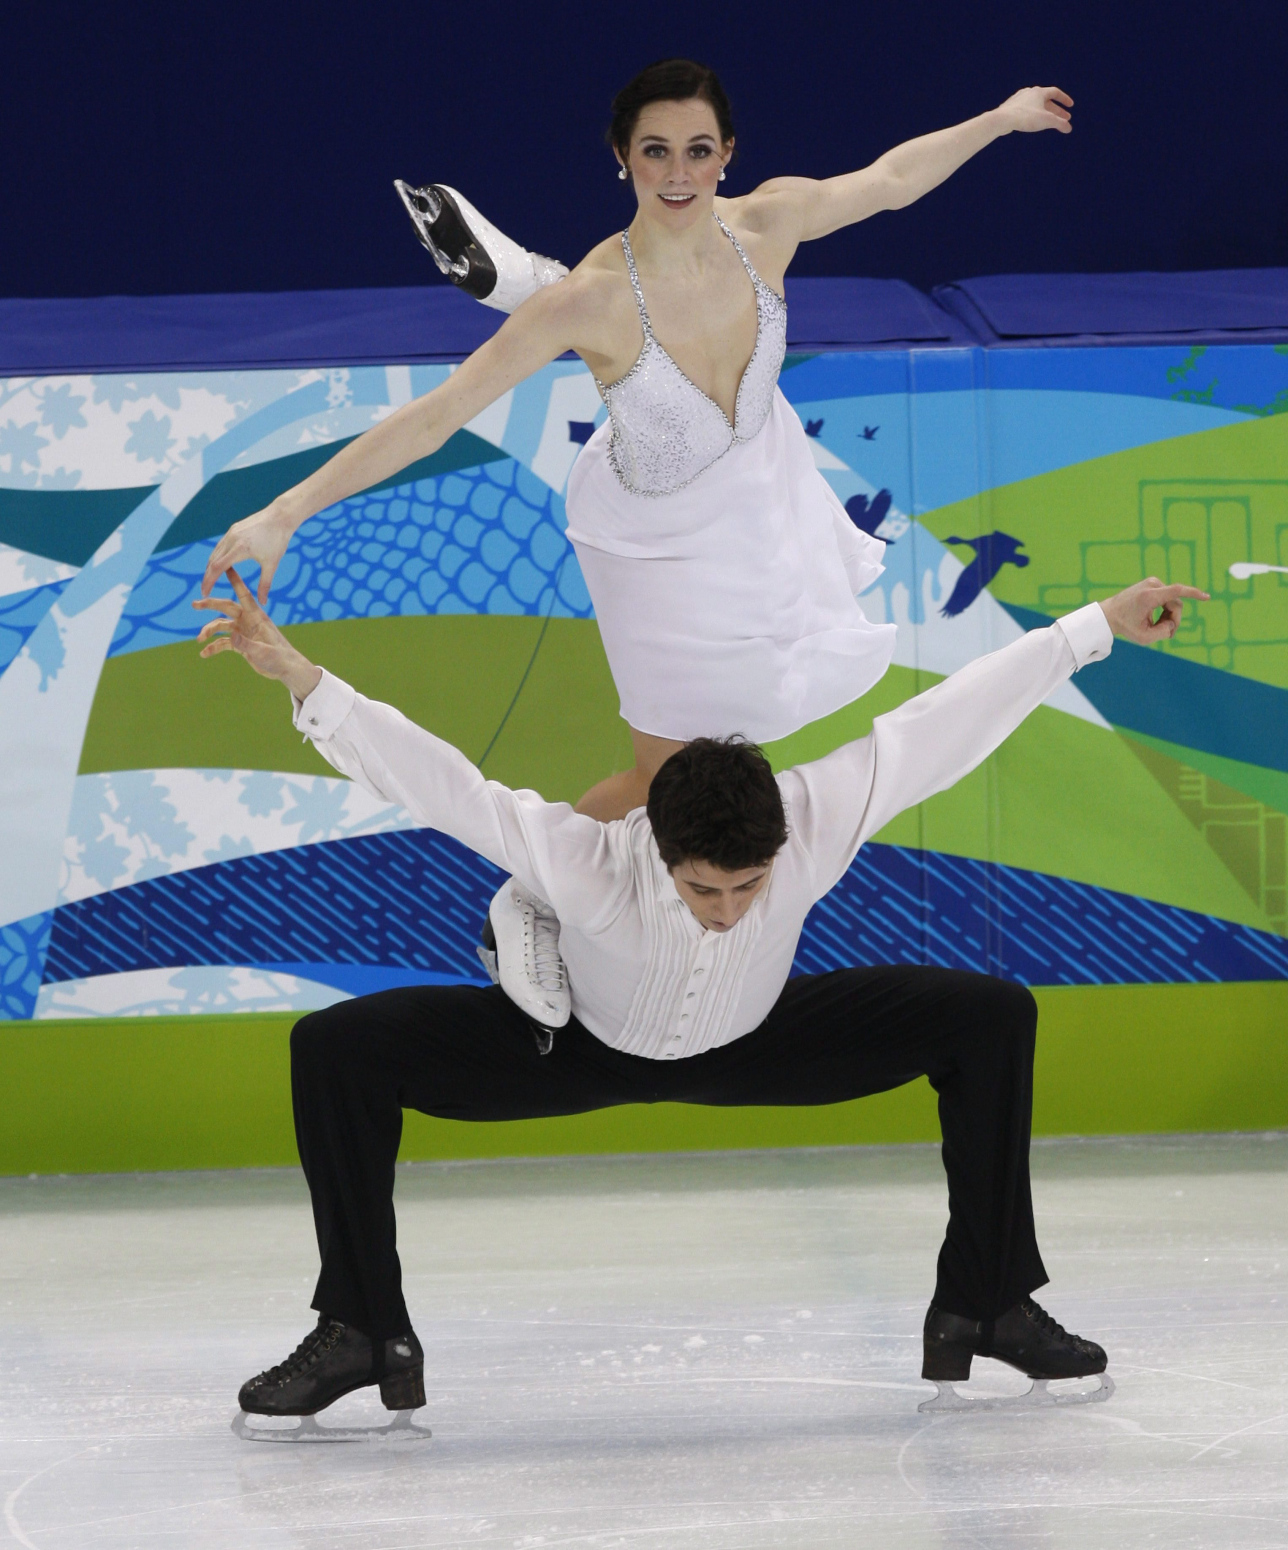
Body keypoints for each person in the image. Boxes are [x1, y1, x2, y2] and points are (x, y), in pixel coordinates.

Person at [194, 566, 1203, 1430]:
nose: (726, 910)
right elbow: (442, 783)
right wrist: (301, 676)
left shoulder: (809, 819)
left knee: (987, 1015)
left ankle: (986, 1305)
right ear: (660, 850)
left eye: (748, 886)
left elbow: (942, 726)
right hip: (571, 1044)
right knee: (336, 1045)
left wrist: (1093, 628)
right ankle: (364, 1328)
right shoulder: (587, 858)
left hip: (758, 1041)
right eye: (703, 888)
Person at [200, 61, 1076, 1028]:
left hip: (757, 494)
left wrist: (998, 119)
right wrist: (286, 511)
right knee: (667, 777)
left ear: (726, 155)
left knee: (733, 740)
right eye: (655, 151)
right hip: (654, 541)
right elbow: (439, 417)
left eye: (698, 150)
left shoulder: (766, 224)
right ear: (622, 158)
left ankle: (516, 273)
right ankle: (529, 900)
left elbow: (889, 180)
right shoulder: (596, 301)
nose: (678, 170)